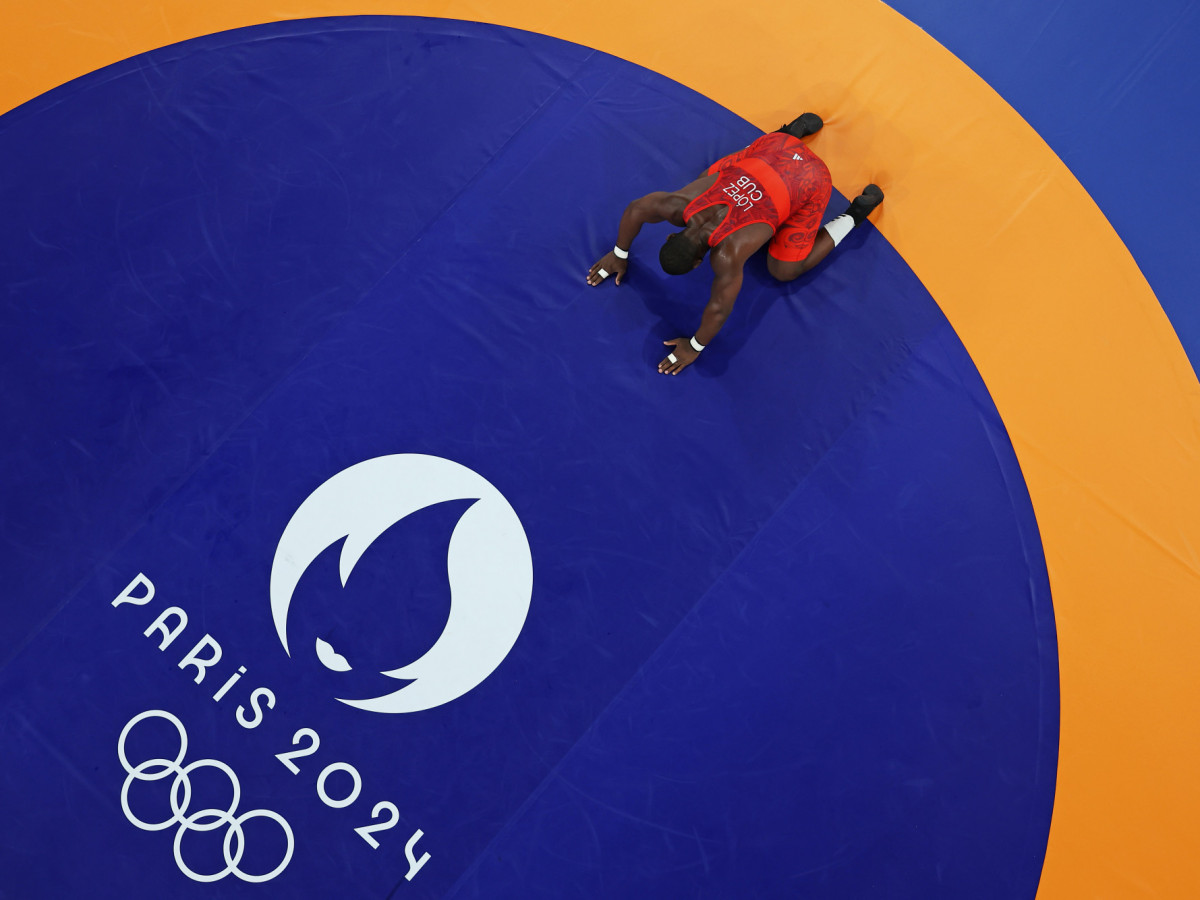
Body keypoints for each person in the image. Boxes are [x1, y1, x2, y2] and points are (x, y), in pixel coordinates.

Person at [587, 113, 883, 375]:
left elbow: (718, 309)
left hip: (813, 179)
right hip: (777, 147)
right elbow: (636, 208)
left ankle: (854, 214)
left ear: (698, 263)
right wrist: (619, 252)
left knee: (783, 271)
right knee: (707, 178)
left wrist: (694, 346)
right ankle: (791, 131)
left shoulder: (727, 255)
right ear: (670, 235)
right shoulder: (678, 204)